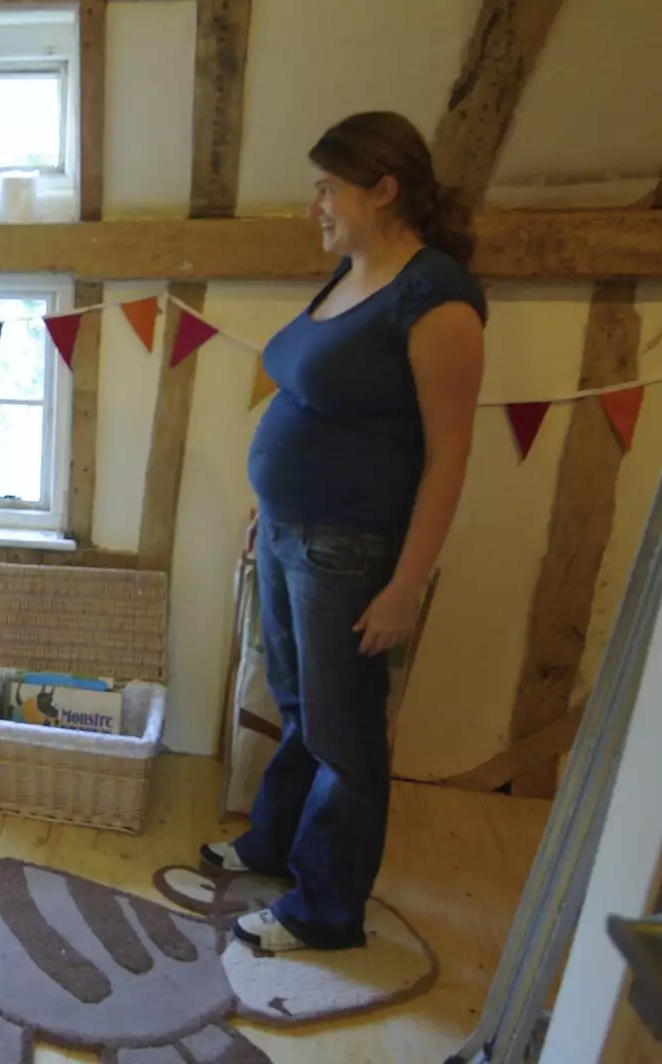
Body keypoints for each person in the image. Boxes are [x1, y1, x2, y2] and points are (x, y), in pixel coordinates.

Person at [201, 112, 488, 952]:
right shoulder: (348, 274)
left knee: (345, 737)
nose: (313, 205)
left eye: (327, 188)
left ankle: (326, 912)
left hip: (354, 549)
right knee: (299, 712)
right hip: (292, 534)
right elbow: (310, 398)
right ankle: (273, 848)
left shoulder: (435, 298)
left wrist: (406, 585)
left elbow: (449, 458)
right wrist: (270, 508)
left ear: (383, 188)